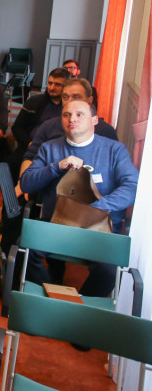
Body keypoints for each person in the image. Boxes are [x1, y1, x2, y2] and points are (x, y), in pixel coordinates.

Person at [0, 78, 119, 295]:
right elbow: (30, 155)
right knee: (13, 210)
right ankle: (6, 276)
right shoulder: (49, 126)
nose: (69, 102)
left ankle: (70, 295)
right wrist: (22, 183)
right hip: (45, 185)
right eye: (65, 97)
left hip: (85, 201)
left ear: (90, 100)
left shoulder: (105, 132)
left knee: (106, 265)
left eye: (76, 97)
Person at [19, 100, 137, 297]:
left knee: (109, 269)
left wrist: (97, 206)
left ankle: (80, 307)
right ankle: (51, 300)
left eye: (79, 114)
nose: (72, 119)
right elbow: (26, 184)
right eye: (66, 115)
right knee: (24, 250)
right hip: (56, 225)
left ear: (94, 120)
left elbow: (132, 186)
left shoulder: (115, 150)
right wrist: (57, 167)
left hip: (99, 229)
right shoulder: (49, 148)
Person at [11, 67, 70, 150]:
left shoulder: (71, 107)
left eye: (57, 85)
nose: (52, 88)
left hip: (60, 149)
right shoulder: (34, 102)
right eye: (50, 83)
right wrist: (29, 143)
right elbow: (17, 127)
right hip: (32, 146)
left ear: (67, 86)